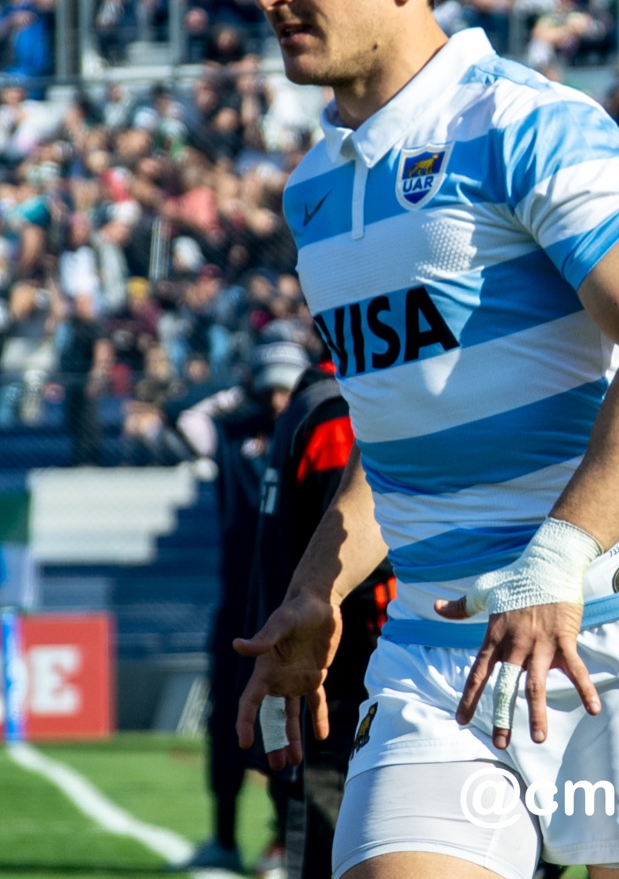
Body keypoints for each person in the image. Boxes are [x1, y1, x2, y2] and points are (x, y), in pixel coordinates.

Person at [230, 0, 619, 879]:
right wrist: (312, 590)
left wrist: (555, 562)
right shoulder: (311, 190)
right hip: (437, 658)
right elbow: (403, 427)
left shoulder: (531, 125)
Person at [168, 339, 315, 877]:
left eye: (286, 386)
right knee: (226, 724)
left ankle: (283, 842)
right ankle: (224, 838)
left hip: (290, 600)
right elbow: (181, 417)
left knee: (286, 723)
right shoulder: (232, 434)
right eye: (268, 386)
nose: (277, 399)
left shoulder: (310, 431)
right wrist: (240, 385)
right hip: (237, 602)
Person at [246, 356, 394, 879]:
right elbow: (356, 547)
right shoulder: (335, 410)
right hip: (347, 665)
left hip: (320, 656)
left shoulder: (309, 402)